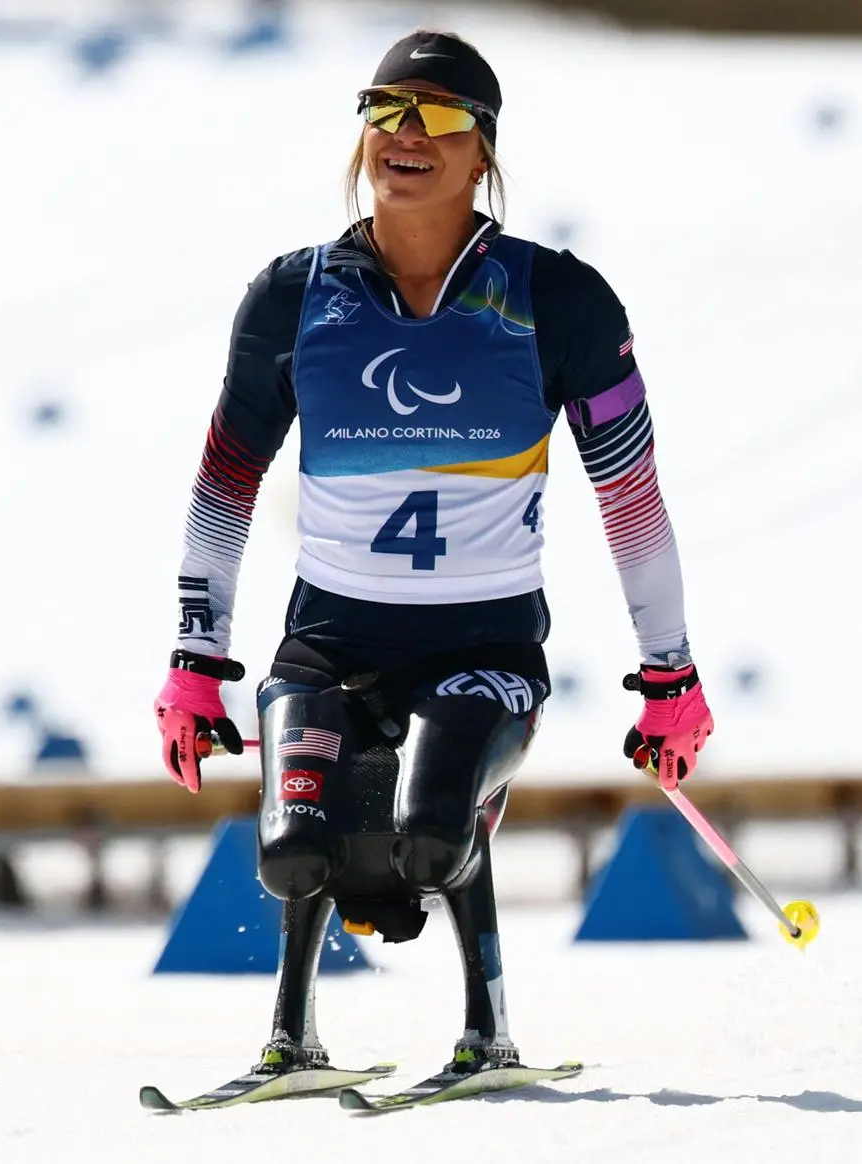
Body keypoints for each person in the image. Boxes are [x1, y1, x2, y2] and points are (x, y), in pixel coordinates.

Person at [153, 29, 714, 1075]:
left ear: (483, 148)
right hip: (329, 637)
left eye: (439, 115)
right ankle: (290, 1040)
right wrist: (196, 663)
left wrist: (669, 674)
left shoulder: (558, 300)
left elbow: (630, 498)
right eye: (384, 109)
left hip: (484, 642)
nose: (405, 135)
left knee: (427, 833)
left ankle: (486, 1029)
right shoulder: (291, 298)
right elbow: (224, 485)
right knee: (293, 854)